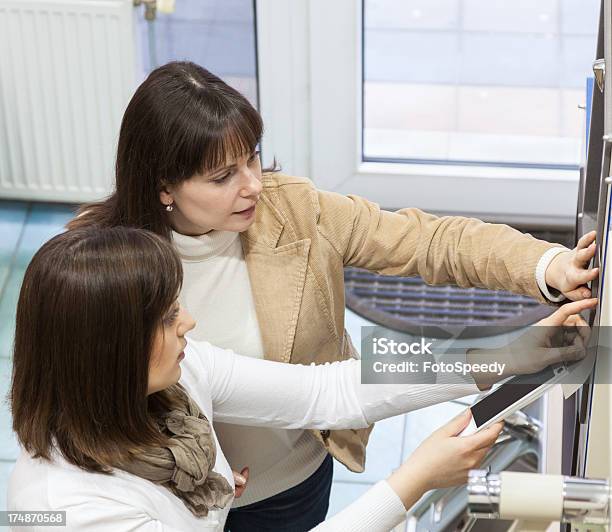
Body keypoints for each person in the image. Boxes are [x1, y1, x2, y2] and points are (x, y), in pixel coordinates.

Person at [67, 61, 599, 531]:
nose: (253, 184)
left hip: (287, 485)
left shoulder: (288, 217)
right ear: (165, 187)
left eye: (252, 157)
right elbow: (78, 395)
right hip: (178, 501)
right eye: (223, 176)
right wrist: (192, 481)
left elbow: (332, 386)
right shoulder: (103, 270)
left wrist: (540, 278)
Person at [8, 228, 593, 531]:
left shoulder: (176, 381)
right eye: (166, 317)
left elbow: (329, 389)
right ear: (108, 354)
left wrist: (506, 352)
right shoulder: (77, 509)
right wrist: (416, 477)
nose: (188, 321)